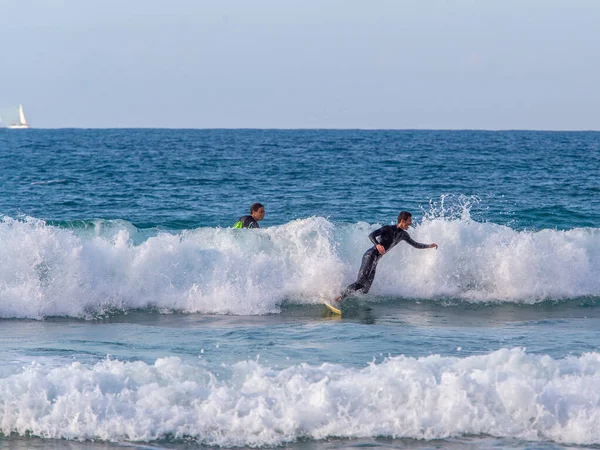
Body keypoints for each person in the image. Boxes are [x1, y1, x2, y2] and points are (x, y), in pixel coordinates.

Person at [333, 211, 437, 304]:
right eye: (409, 220)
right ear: (403, 220)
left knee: (366, 289)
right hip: (370, 256)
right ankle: (340, 297)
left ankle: (347, 297)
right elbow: (371, 235)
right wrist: (377, 244)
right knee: (360, 282)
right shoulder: (388, 229)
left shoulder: (403, 235)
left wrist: (428, 246)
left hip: (376, 260)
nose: (411, 223)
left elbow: (415, 244)